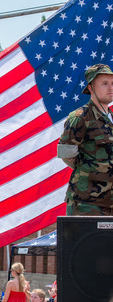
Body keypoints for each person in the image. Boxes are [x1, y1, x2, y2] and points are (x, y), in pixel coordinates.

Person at [57, 63, 113, 215]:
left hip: (110, 202)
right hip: (86, 203)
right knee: (86, 240)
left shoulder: (111, 118)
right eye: (104, 84)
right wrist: (88, 170)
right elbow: (66, 154)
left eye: (112, 83)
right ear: (91, 87)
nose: (110, 88)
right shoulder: (80, 117)